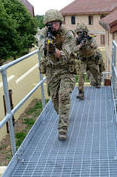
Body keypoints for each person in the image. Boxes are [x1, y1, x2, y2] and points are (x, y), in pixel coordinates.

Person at [38, 9, 76, 141]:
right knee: (55, 99)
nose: (53, 26)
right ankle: (63, 115)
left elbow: (65, 56)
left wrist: (54, 50)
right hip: (52, 71)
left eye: (55, 23)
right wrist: (47, 46)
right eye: (50, 23)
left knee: (64, 95)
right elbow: (41, 50)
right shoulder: (43, 33)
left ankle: (63, 128)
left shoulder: (68, 34)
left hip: (65, 69)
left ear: (60, 22)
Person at [74, 23, 104, 100]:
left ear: (86, 32)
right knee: (80, 76)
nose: (81, 34)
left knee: (96, 73)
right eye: (79, 33)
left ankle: (97, 83)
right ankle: (81, 93)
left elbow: (96, 46)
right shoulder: (76, 40)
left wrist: (90, 44)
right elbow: (73, 50)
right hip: (82, 60)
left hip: (91, 59)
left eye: (83, 32)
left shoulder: (90, 38)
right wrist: (80, 45)